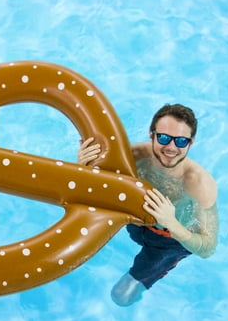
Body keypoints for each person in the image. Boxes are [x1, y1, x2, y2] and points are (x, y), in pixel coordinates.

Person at [77, 104, 218, 306]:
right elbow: (91, 191)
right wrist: (83, 168)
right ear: (151, 135)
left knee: (121, 296)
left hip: (169, 241)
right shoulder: (132, 157)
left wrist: (172, 223)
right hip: (135, 222)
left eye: (180, 141)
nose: (171, 147)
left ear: (191, 143)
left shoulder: (198, 183)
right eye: (163, 138)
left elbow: (208, 248)